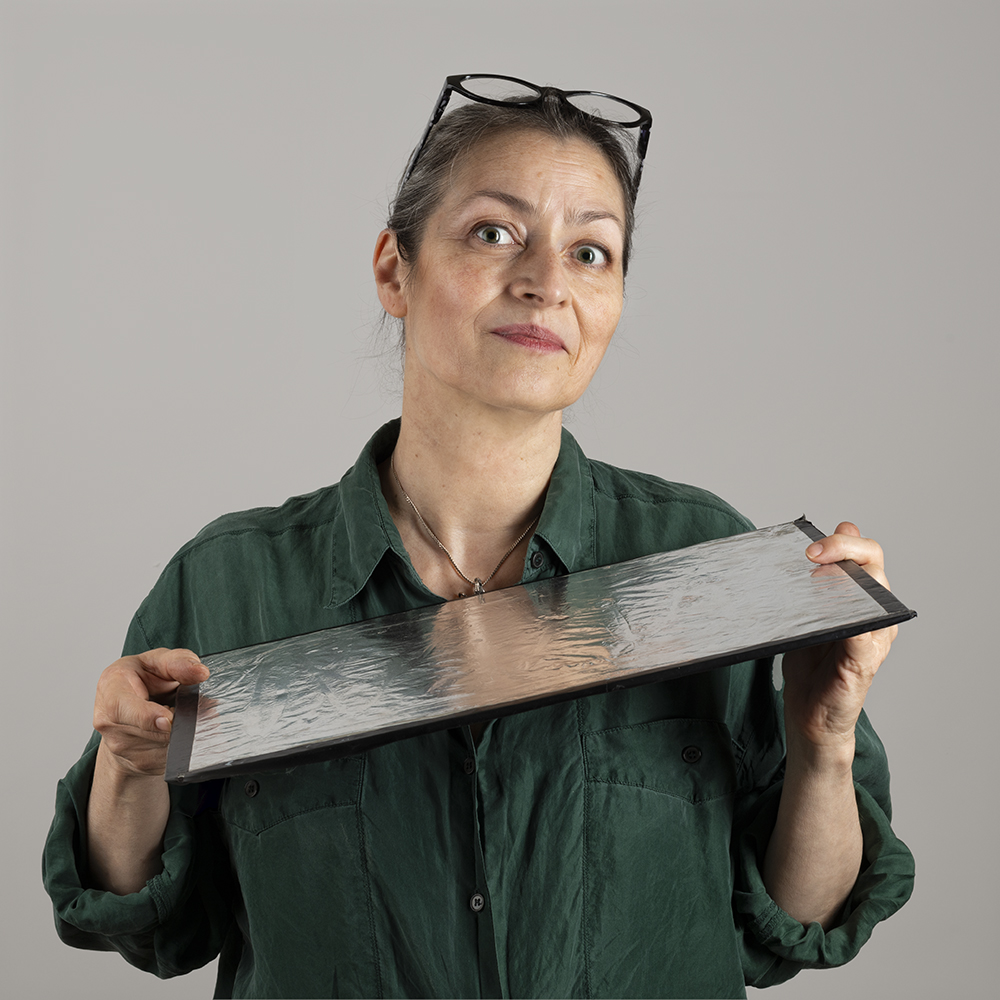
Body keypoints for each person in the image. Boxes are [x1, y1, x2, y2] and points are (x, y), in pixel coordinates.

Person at [43, 75, 914, 999]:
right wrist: (131, 767)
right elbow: (145, 920)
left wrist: (825, 738)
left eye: (591, 252)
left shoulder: (704, 563)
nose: (545, 282)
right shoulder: (229, 583)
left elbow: (802, 920)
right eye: (494, 233)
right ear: (394, 270)